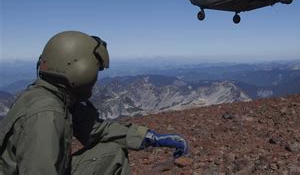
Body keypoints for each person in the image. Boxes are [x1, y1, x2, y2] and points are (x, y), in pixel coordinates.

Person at [0, 31, 188, 174]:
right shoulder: (47, 113)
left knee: (112, 153)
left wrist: (150, 137)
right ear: (81, 70)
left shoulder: (55, 97)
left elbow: (95, 130)